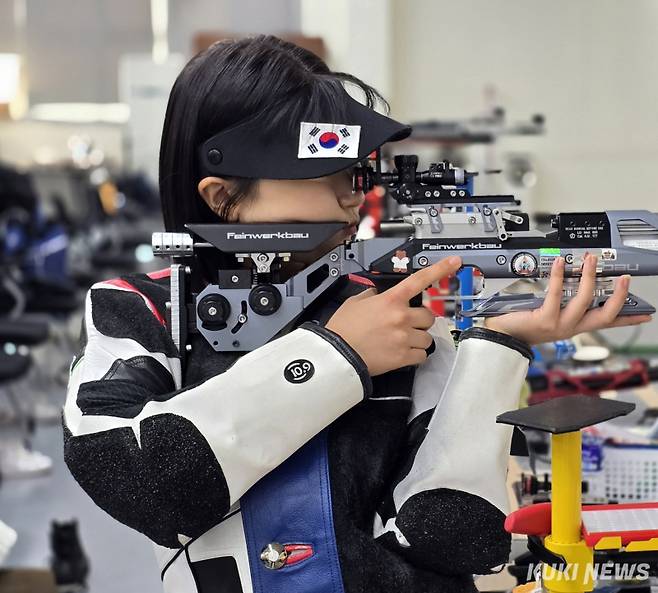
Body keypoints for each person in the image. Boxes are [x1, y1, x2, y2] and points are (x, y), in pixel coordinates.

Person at [63, 36, 651, 593]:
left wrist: (496, 346)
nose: (354, 195)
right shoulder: (139, 312)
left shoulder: (396, 306)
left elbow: (457, 535)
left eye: (357, 173)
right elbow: (142, 485)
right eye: (326, 174)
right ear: (223, 198)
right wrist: (336, 357)